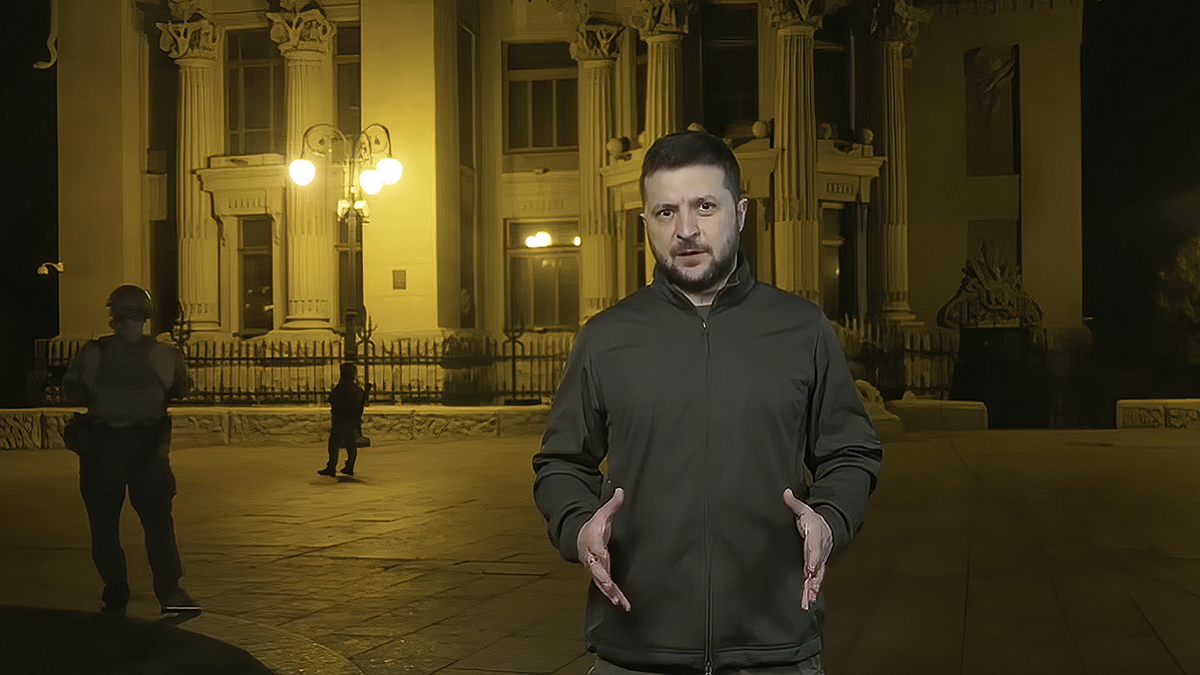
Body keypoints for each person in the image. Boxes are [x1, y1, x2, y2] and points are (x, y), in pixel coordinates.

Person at [532, 131, 882, 674]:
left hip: (776, 648)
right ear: (645, 222)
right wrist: (579, 526)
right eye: (665, 211)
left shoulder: (802, 330)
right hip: (637, 648)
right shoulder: (604, 339)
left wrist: (829, 520)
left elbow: (850, 451)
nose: (686, 229)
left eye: (704, 206)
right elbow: (561, 462)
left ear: (739, 214)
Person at [62, 284, 200, 617]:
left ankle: (115, 590)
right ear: (146, 316)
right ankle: (169, 591)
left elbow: (73, 390)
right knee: (158, 525)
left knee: (104, 526)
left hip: (103, 448)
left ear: (113, 315)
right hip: (147, 448)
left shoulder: (93, 353)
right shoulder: (164, 354)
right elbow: (181, 388)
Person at [319, 362, 366, 477]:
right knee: (350, 444)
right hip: (351, 421)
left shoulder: (341, 388)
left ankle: (332, 466)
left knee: (334, 444)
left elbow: (333, 400)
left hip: (341, 421)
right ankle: (349, 466)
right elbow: (359, 405)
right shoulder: (355, 389)